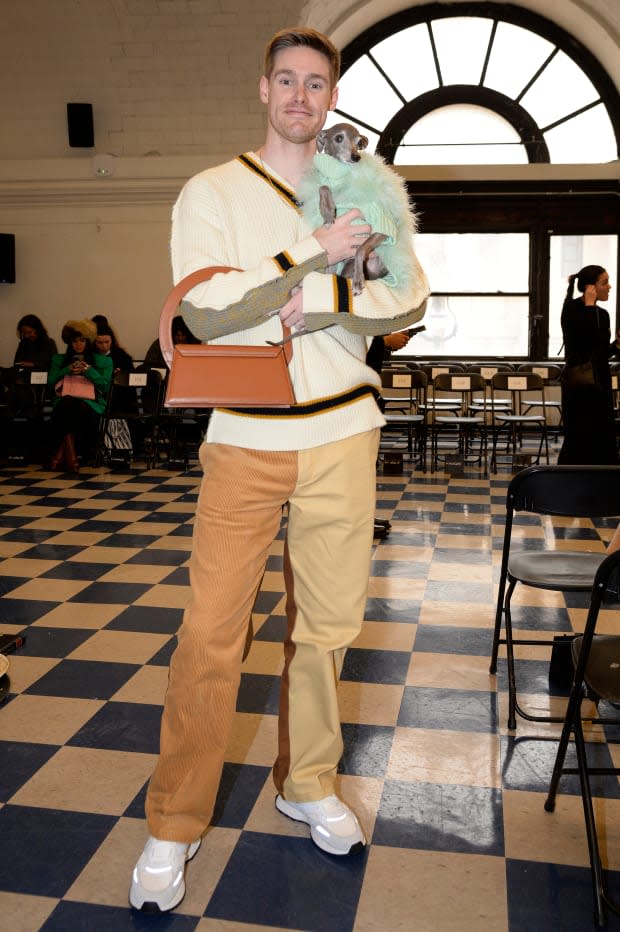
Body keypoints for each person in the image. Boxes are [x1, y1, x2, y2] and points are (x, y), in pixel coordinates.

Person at [129, 26, 428, 914]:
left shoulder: (368, 186)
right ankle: (173, 824)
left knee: (327, 629)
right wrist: (309, 254)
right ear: (263, 90)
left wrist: (320, 298)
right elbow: (207, 312)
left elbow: (408, 294)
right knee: (211, 634)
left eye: (317, 84)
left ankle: (307, 780)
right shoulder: (211, 190)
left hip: (344, 431)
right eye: (287, 81)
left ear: (332, 98)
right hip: (246, 434)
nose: (302, 96)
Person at [558, 265, 620, 465]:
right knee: (580, 433)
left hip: (600, 381)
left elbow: (599, 352)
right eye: (604, 282)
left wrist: (617, 345)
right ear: (590, 287)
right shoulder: (572, 308)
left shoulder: (603, 314)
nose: (609, 287)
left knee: (602, 432)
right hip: (580, 384)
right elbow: (583, 344)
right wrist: (590, 305)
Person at [47, 319, 113, 472]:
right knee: (68, 403)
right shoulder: (59, 359)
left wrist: (88, 371)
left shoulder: (103, 361)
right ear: (69, 343)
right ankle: (72, 456)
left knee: (77, 407)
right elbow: (50, 383)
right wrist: (66, 370)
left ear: (88, 342)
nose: (78, 345)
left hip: (91, 402)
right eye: (74, 341)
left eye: (82, 340)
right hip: (64, 400)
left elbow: (105, 386)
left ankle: (62, 454)